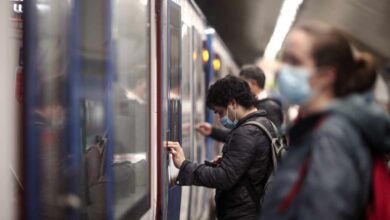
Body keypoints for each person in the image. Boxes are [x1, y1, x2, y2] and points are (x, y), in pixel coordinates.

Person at [260, 22, 390, 220]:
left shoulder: (331, 137)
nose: (283, 70)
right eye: (285, 60)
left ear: (326, 76)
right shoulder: (325, 128)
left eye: (294, 62)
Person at [166, 75, 274, 219]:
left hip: (242, 214)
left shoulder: (247, 132)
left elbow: (223, 178)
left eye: (220, 112)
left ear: (232, 104)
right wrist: (227, 161)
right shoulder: (264, 123)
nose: (218, 118)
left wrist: (184, 164)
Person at [197, 65, 284, 145]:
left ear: (253, 83)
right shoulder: (258, 106)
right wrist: (213, 131)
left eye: (242, 82)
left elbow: (270, 141)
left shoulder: (269, 107)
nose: (238, 86)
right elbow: (241, 136)